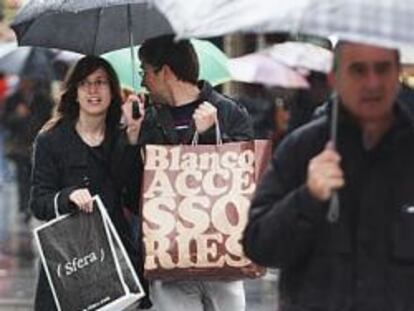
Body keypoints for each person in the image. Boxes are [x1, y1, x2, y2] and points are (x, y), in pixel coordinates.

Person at [242, 41, 414, 310]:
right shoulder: (301, 148)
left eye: (382, 69)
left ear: (397, 74)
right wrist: (307, 197)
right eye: (358, 70)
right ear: (335, 78)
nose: (372, 83)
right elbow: (259, 245)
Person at [137, 35, 253, 311]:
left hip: (222, 256)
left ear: (164, 72)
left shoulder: (229, 113)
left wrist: (214, 135)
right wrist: (130, 141)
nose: (142, 81)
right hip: (169, 258)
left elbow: (245, 176)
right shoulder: (150, 120)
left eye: (145, 72)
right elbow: (131, 193)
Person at [29, 56, 148, 310]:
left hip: (115, 259)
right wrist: (67, 196)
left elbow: (136, 196)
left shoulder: (121, 136)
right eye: (85, 83)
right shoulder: (50, 139)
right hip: (68, 261)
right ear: (74, 92)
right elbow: (39, 202)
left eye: (101, 82)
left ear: (112, 90)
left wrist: (133, 136)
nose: (93, 90)